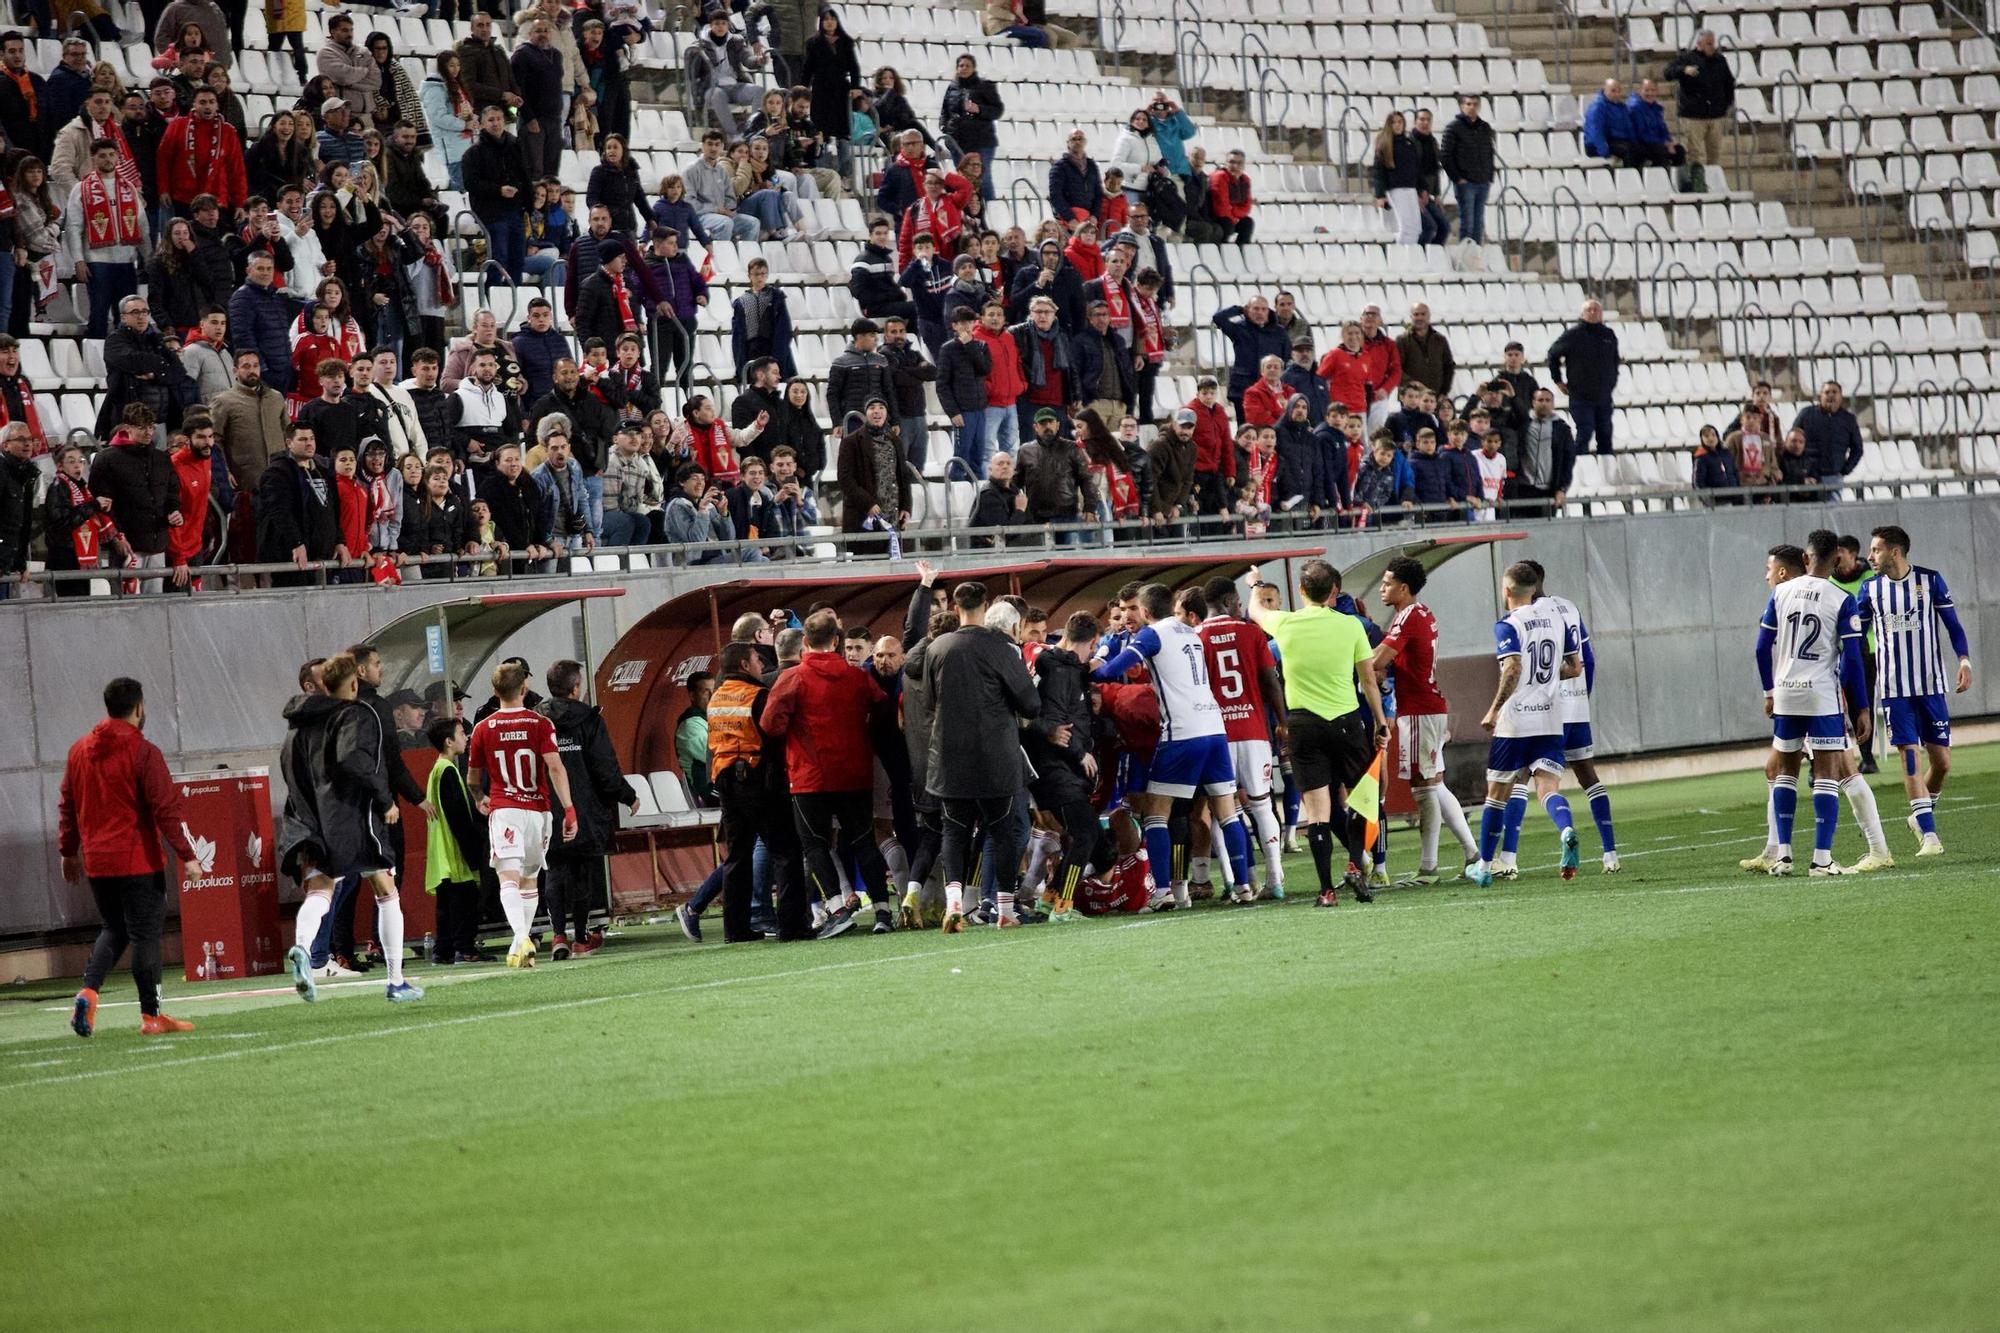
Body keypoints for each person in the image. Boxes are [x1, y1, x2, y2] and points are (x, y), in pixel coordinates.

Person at [1090, 583, 1253, 909]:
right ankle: (1244, 886)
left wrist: (1086, 669)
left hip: (1181, 733)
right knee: (1227, 813)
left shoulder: (1152, 635)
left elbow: (1111, 671)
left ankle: (1162, 891)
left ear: (1147, 612)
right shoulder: (1191, 631)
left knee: (1156, 815)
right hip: (1215, 729)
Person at [278, 651, 427, 1004]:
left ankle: (302, 948)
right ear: (354, 683)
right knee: (386, 888)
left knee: (320, 892)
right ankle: (396, 980)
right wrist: (385, 799)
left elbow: (288, 768)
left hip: (306, 818)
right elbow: (354, 761)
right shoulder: (356, 714)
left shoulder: (298, 724)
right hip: (350, 817)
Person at [1743, 536, 1893, 878]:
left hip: (1785, 694)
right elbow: (1854, 659)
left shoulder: (1780, 593)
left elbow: (1760, 647)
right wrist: (1862, 708)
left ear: (1807, 558)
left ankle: (1782, 856)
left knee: (1783, 772)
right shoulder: (1841, 598)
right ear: (1837, 561)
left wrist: (1769, 691)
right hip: (1821, 695)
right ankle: (1822, 859)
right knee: (1829, 775)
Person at [61, 678, 201, 1037]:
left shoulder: (79, 750)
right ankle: (152, 1016)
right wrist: (188, 855)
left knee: (114, 927)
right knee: (145, 936)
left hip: (97, 861)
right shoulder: (143, 751)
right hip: (137, 860)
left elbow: (68, 804)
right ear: (139, 708)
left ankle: (89, 991)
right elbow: (165, 808)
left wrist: (68, 852)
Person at [1245, 559, 1386, 904]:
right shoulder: (1352, 626)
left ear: (1301, 590)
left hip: (1304, 724)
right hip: (1347, 721)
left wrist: (1255, 584)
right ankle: (1356, 863)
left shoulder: (1286, 623)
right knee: (1360, 800)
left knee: (1318, 811)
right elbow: (1369, 680)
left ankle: (1326, 891)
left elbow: (1255, 610)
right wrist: (1380, 721)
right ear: (1333, 592)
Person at [760, 609, 892, 936]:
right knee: (864, 842)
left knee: (815, 845)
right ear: (836, 641)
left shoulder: (793, 678)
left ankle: (836, 909)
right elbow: (882, 706)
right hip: (854, 773)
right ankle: (883, 911)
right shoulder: (858, 676)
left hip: (809, 776)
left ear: (805, 642)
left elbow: (769, 725)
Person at [920, 580, 1042, 930]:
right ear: (986, 606)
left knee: (954, 832)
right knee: (1004, 832)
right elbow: (1031, 705)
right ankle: (1004, 910)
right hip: (996, 758)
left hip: (948, 757)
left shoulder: (937, 647)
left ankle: (955, 905)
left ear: (955, 607)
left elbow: (930, 701)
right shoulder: (1001, 647)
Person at [1463, 563, 1586, 887]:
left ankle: (1486, 867)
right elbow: (1574, 667)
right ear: (1535, 589)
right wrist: (1542, 677)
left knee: (1496, 795)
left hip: (1516, 722)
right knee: (1547, 789)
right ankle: (1567, 830)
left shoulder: (1508, 624)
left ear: (1507, 590)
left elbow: (1514, 667)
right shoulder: (1558, 619)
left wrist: (1493, 709)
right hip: (1550, 718)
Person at [1857, 524, 1973, 858]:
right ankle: (1930, 836)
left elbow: (1953, 626)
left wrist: (1965, 661)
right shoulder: (1869, 590)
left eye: (1876, 550)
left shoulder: (1930, 581)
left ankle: (1918, 818)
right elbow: (1854, 637)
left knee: (1943, 763)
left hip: (1931, 685)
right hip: (1895, 690)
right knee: (1910, 755)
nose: (1871, 556)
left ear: (1895, 551)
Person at [1365, 558, 1480, 884]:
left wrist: (1353, 660)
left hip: (1419, 710)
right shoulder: (1422, 613)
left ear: (1403, 588)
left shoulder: (1408, 617)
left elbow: (1377, 660)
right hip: (1428, 707)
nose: (1383, 588)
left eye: (1387, 583)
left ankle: (1429, 868)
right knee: (1434, 783)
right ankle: (1474, 854)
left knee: (1423, 786)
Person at [467, 658, 578, 968]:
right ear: (525, 688)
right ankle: (522, 946)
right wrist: (569, 809)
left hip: (506, 811)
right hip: (538, 812)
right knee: (529, 880)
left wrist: (479, 798)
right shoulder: (541, 723)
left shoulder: (482, 728)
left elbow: (473, 778)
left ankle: (520, 937)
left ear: (494, 690)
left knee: (508, 880)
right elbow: (555, 767)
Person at [1195, 577, 1289, 901]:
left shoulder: (1196, 638)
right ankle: (1275, 879)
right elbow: (1270, 680)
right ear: (1228, 600)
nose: (1240, 606)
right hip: (1252, 731)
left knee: (1223, 810)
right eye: (1238, 601)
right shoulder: (1251, 632)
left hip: (1214, 735)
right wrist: (1283, 721)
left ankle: (1236, 882)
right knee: (1263, 806)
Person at [536, 659, 632, 957]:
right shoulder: (590, 720)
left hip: (547, 807)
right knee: (581, 873)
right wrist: (626, 795)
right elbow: (604, 766)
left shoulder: (538, 719)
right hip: (585, 809)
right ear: (576, 688)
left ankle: (558, 937)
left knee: (553, 870)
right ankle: (580, 938)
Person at [422, 716, 487, 965]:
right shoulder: (447, 771)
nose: (466, 737)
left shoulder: (437, 769)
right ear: (449, 741)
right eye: (461, 733)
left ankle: (444, 951)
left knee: (446, 906)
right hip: (453, 852)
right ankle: (465, 949)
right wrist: (473, 850)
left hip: (441, 853)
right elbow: (458, 816)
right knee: (465, 902)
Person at [463, 105, 532, 284]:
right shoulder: (473, 153)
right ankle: (491, 296)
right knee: (499, 257)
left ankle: (514, 296)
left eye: (499, 119)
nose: (496, 123)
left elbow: (525, 176)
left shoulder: (515, 146)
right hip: (490, 212)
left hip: (515, 210)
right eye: (491, 120)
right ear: (483, 123)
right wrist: (498, 190)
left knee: (518, 258)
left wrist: (527, 206)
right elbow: (471, 183)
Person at [1546, 299, 1619, 455]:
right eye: (1589, 310)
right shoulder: (1573, 335)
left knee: (1605, 434)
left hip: (1604, 396)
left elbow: (1615, 360)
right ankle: (1578, 470)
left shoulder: (1608, 334)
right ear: (1582, 314)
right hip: (1581, 396)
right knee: (1585, 431)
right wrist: (1557, 380)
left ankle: (1605, 473)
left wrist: (1612, 381)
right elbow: (1553, 355)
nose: (1593, 312)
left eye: (1596, 310)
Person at [1664, 30, 1733, 192]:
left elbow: (1729, 83)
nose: (1712, 46)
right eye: (1709, 43)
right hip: (1693, 115)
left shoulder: (1720, 61)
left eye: (1713, 43)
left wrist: (1725, 105)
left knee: (1714, 153)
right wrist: (1683, 70)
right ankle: (1697, 183)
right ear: (1699, 44)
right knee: (1695, 152)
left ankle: (1714, 184)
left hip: (1715, 114)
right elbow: (1668, 72)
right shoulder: (1688, 58)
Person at [939, 54, 1004, 199]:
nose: (964, 68)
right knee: (962, 178)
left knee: (983, 177)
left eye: (967, 65)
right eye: (961, 65)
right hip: (958, 141)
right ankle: (967, 211)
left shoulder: (985, 86)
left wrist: (979, 109)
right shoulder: (952, 87)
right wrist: (945, 128)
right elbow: (945, 111)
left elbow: (998, 110)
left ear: (974, 68)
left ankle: (989, 210)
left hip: (982, 141)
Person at [1790, 380, 1864, 502]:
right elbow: (1792, 441)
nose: (1830, 395)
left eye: (1834, 392)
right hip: (1808, 476)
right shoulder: (1806, 414)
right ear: (1821, 396)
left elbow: (1857, 449)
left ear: (1841, 396)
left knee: (1833, 514)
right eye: (1827, 392)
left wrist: (1845, 470)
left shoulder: (1848, 419)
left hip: (1834, 477)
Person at [1439, 93, 1496, 243]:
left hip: (1482, 181)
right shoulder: (1453, 128)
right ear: (1462, 106)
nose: (1472, 107)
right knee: (1467, 223)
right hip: (1466, 183)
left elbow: (1489, 152)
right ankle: (1464, 257)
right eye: (1468, 104)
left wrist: (1489, 175)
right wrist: (1457, 178)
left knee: (1478, 223)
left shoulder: (1484, 127)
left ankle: (1476, 255)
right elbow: (1445, 156)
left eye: (1475, 104)